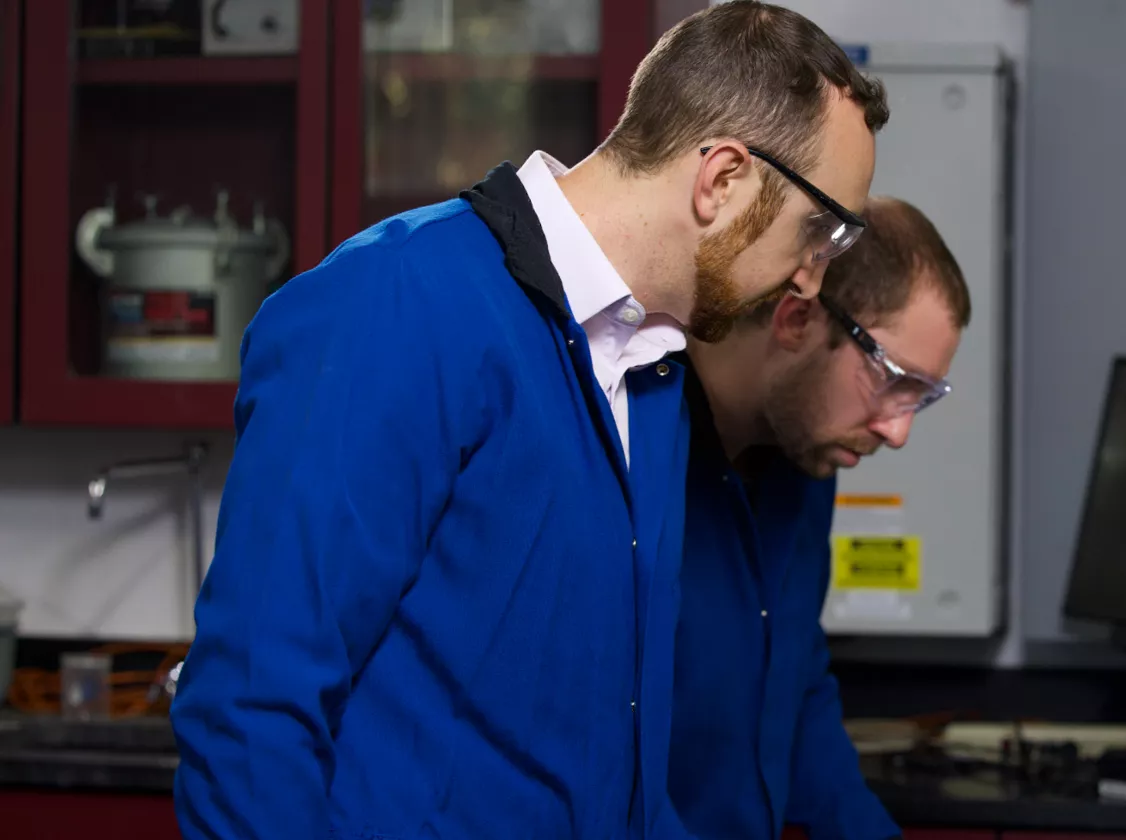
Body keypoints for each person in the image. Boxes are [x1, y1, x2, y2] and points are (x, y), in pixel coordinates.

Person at [169, 3, 890, 838]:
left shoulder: (652, 376)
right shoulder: (394, 305)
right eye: (820, 231)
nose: (810, 281)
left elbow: (622, 769)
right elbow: (252, 713)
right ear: (722, 179)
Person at [671, 197, 969, 840]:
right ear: (798, 318)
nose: (898, 431)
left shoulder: (804, 457)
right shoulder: (633, 451)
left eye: (922, 398)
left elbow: (794, 684)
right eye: (893, 380)